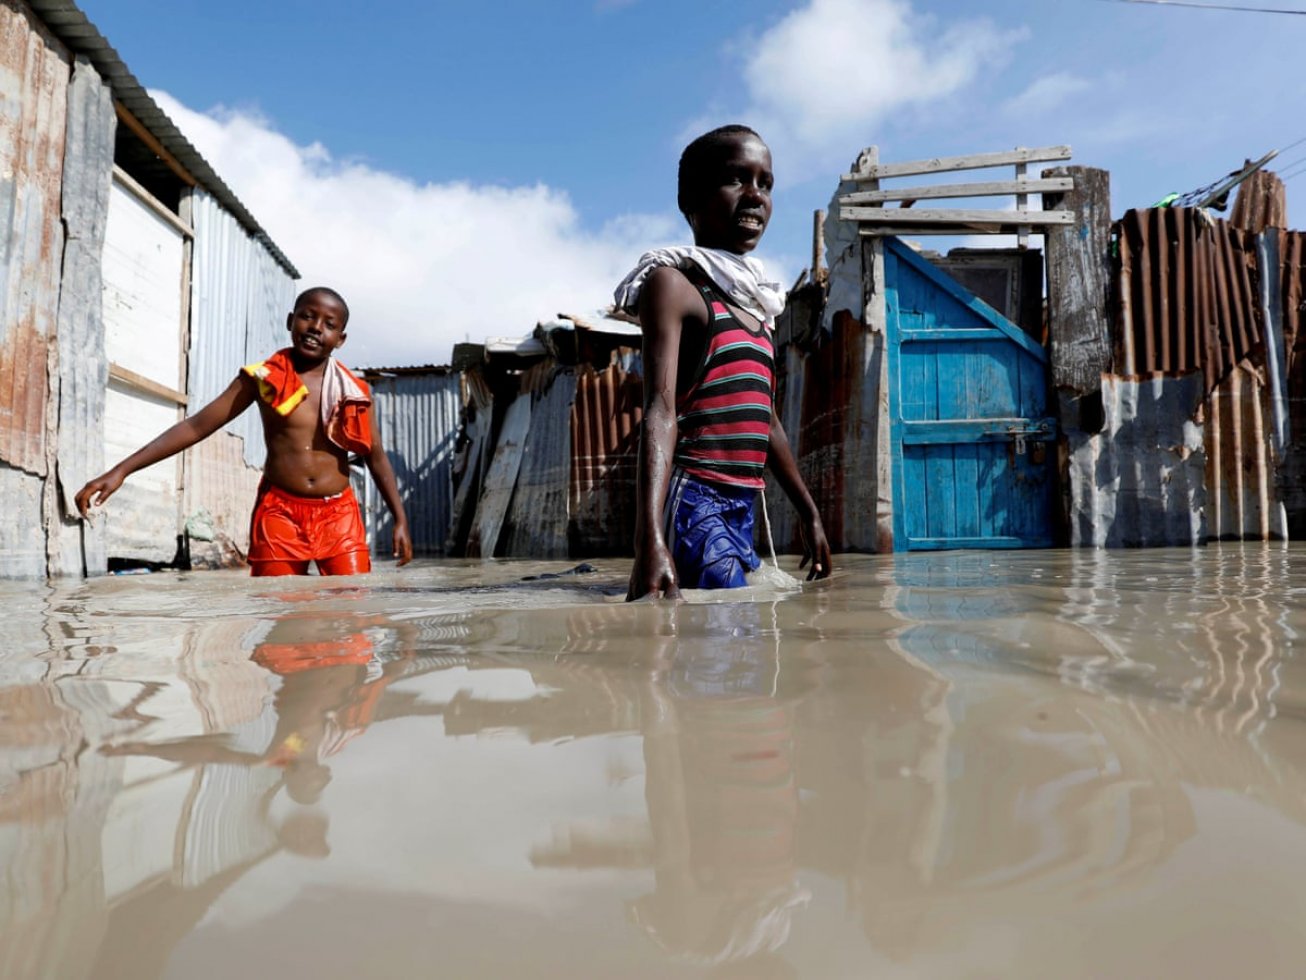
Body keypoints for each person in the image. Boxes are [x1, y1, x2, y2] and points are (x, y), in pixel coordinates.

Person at [615, 125, 831, 601]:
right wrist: (647, 539)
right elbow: (660, 410)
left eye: (766, 183)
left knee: (738, 648)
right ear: (690, 198)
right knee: (722, 630)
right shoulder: (675, 287)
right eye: (737, 180)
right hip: (694, 499)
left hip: (742, 504)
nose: (755, 196)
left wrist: (809, 513)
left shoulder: (758, 305)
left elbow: (766, 419)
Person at [75, 286, 412, 576]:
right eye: (308, 316)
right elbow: (196, 426)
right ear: (290, 321)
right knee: (281, 619)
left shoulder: (354, 392)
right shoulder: (263, 379)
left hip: (339, 514)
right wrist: (121, 471)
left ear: (340, 339)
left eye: (329, 324)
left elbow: (375, 457)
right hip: (280, 511)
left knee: (351, 613)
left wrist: (400, 519)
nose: (315, 328)